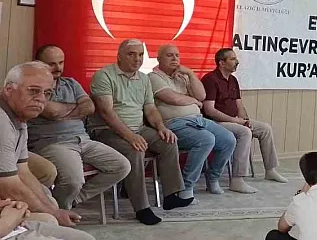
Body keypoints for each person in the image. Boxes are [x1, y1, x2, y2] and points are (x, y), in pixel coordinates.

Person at [89, 39, 193, 225]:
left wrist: (161, 127)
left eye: (140, 54)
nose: (137, 59)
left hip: (139, 128)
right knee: (135, 150)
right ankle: (141, 208)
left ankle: (171, 195)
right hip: (107, 131)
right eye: (131, 54)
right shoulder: (104, 76)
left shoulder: (144, 79)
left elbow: (150, 109)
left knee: (168, 142)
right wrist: (131, 136)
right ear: (119, 56)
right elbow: (106, 113)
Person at [0, 62, 96, 240]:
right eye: (33, 91)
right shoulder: (2, 121)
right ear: (8, 89)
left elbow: (23, 171)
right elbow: (9, 186)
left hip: (8, 212)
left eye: (47, 93)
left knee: (50, 205)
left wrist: (53, 211)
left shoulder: (20, 117)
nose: (41, 99)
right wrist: (52, 213)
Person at [29, 45, 130, 210]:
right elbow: (52, 112)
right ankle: (58, 211)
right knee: (74, 181)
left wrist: (63, 111)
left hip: (83, 140)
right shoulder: (33, 88)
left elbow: (90, 107)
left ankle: (69, 202)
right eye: (52, 64)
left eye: (61, 62)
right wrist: (75, 108)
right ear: (38, 63)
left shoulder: (71, 83)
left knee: (122, 166)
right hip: (53, 143)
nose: (58, 67)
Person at [149, 44, 235, 198]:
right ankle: (186, 186)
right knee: (206, 139)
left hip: (198, 120)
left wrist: (189, 73)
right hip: (174, 123)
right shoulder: (153, 77)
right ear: (159, 59)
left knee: (228, 139)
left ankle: (212, 178)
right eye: (169, 55)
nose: (174, 58)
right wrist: (194, 101)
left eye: (177, 55)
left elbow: (201, 96)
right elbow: (173, 98)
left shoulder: (182, 76)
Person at [201, 48, 287, 194]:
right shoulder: (210, 80)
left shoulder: (233, 80)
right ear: (221, 63)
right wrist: (236, 121)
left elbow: (239, 105)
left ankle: (270, 170)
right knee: (244, 132)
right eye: (233, 59)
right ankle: (237, 179)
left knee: (265, 128)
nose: (237, 62)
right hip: (216, 123)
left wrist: (245, 120)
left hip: (235, 121)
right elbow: (209, 110)